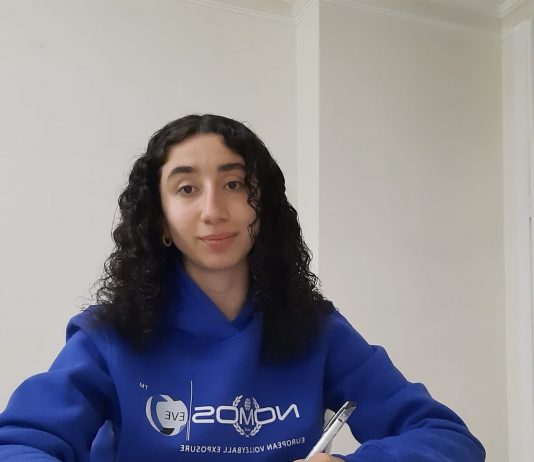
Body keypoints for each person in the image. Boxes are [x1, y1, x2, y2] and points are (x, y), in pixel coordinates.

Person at [0, 114, 485, 462]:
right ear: (160, 221)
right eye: (187, 189)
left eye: (234, 184)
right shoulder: (108, 334)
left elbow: (447, 437)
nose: (214, 211)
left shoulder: (316, 329)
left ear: (263, 207)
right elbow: (20, 445)